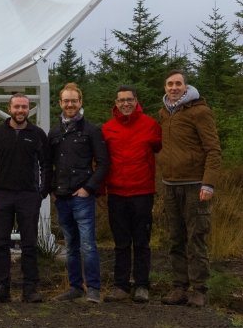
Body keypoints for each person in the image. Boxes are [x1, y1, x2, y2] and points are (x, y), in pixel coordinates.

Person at [157, 70, 222, 308]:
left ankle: (199, 289)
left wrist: (208, 183)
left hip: (195, 185)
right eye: (169, 84)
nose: (173, 88)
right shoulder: (164, 113)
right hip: (170, 185)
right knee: (176, 238)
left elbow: (213, 150)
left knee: (196, 238)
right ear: (165, 87)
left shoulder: (200, 111)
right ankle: (179, 287)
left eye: (178, 84)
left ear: (186, 86)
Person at [0, 93, 52, 303]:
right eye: (16, 107)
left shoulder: (37, 134)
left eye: (24, 107)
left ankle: (30, 288)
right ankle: (2, 288)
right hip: (1, 195)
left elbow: (46, 164)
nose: (20, 111)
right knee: (1, 243)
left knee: (29, 243)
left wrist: (42, 192)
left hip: (28, 196)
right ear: (9, 108)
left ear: (28, 109)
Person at [101, 85, 162, 303]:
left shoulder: (151, 126)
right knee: (121, 242)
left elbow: (161, 149)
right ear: (115, 103)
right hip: (116, 193)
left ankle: (142, 285)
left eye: (129, 99)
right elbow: (100, 160)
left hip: (142, 192)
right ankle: (121, 286)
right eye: (121, 100)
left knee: (142, 242)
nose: (125, 103)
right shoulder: (107, 129)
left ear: (136, 101)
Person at [48, 82, 108, 303]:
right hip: (62, 197)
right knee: (70, 245)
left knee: (88, 245)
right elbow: (48, 164)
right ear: (60, 103)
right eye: (66, 101)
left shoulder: (91, 130)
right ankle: (75, 287)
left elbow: (103, 163)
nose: (70, 104)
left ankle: (93, 288)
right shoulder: (54, 132)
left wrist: (88, 188)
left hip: (82, 196)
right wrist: (52, 189)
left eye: (74, 100)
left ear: (80, 102)